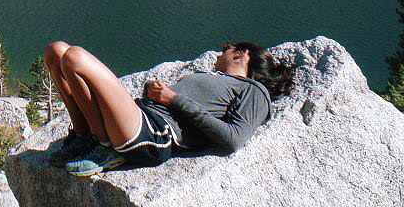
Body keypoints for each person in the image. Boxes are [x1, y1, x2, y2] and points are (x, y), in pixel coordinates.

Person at [42, 40, 294, 177]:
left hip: (153, 135)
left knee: (75, 57)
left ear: (241, 54)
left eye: (225, 50)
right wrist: (156, 94)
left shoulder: (254, 91)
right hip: (142, 116)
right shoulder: (217, 78)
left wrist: (174, 99)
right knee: (56, 51)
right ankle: (85, 138)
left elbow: (233, 139)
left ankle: (104, 147)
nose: (219, 54)